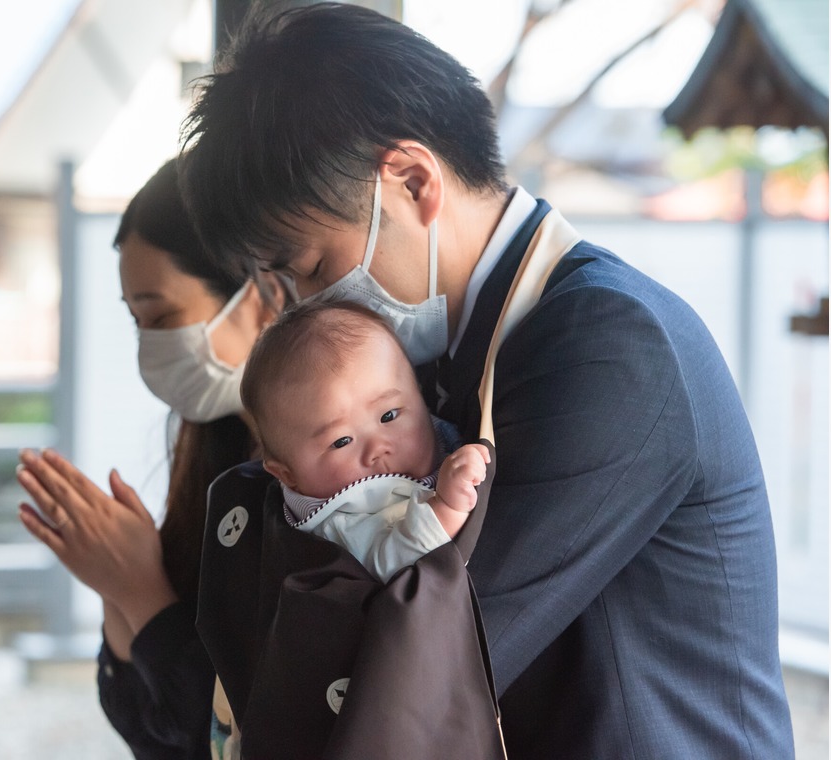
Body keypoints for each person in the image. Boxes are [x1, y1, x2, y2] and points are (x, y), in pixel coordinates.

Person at [179, 4, 794, 757]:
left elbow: (412, 661)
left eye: (311, 268)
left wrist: (170, 620)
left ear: (412, 181)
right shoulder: (441, 357)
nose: (311, 308)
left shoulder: (606, 347)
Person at [16, 157, 284, 760]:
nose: (149, 346)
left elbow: (229, 738)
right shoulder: (212, 447)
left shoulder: (335, 480)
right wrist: (117, 590)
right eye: (135, 320)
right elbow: (148, 732)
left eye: (161, 316)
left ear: (264, 291)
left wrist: (140, 594)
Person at [240, 299, 490, 583]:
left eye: (388, 416)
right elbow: (391, 561)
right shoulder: (339, 524)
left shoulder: (441, 425)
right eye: (342, 441)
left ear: (419, 396)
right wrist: (446, 507)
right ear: (288, 475)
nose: (377, 448)